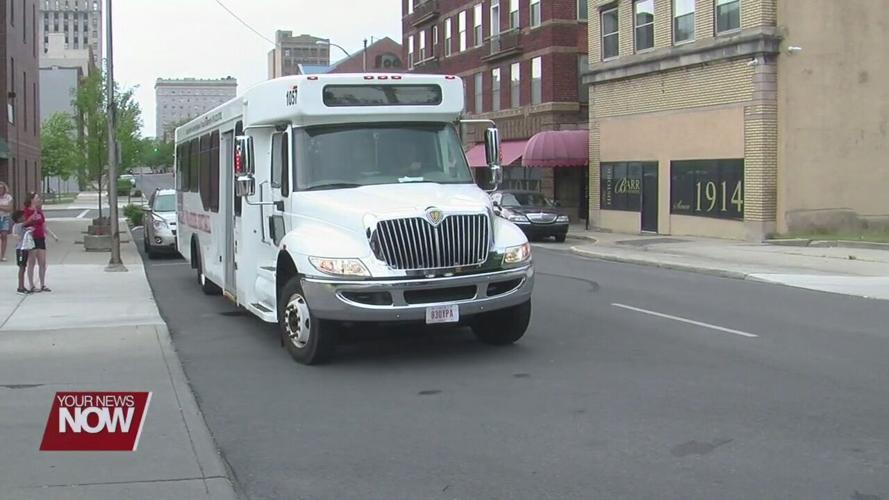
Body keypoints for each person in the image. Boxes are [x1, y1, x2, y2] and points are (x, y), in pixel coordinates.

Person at [23, 193, 57, 293]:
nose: (39, 199)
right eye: (37, 198)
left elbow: (44, 225)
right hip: (31, 238)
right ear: (32, 199)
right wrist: (33, 214)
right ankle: (32, 285)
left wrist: (53, 235)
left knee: (42, 262)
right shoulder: (26, 211)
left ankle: (42, 284)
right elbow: (25, 223)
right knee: (31, 262)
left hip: (40, 238)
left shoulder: (40, 211)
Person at [11, 210, 32, 295]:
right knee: (22, 268)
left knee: (23, 267)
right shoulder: (18, 225)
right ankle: (20, 287)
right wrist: (33, 215)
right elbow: (28, 222)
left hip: (24, 249)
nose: (24, 217)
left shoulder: (20, 226)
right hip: (21, 249)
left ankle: (22, 286)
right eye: (23, 216)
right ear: (19, 218)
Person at [0, 182, 13, 262]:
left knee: (4, 235)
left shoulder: (8, 197)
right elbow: (6, 207)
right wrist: (4, 207)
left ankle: (2, 255)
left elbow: (9, 208)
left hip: (5, 218)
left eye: (1, 188)